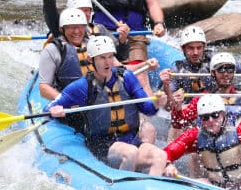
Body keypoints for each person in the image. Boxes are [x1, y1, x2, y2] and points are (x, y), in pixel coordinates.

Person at [47, 36, 169, 176]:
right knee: (130, 153)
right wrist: (54, 110)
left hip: (130, 139)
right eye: (102, 58)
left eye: (110, 57)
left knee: (160, 156)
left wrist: (156, 103)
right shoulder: (82, 86)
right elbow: (52, 106)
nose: (108, 62)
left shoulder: (126, 77)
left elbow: (146, 108)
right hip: (102, 145)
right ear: (90, 60)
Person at [159, 25, 241, 141]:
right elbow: (168, 106)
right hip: (193, 110)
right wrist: (167, 88)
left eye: (199, 47)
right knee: (176, 124)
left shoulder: (216, 59)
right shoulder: (177, 70)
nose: (195, 52)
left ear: (204, 47)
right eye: (191, 48)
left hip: (220, 107)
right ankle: (170, 155)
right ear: (183, 49)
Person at [162, 94, 241, 190]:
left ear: (223, 114)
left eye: (215, 115)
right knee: (200, 180)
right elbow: (166, 153)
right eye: (205, 117)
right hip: (217, 188)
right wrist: (168, 164)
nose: (210, 121)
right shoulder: (195, 134)